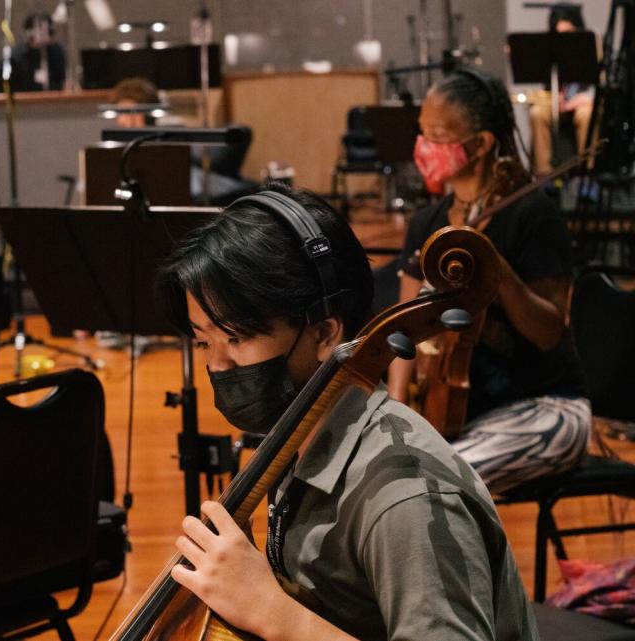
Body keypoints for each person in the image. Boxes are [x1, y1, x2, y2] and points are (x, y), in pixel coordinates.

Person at [156, 183, 537, 641]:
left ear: (324, 334)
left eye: (236, 338)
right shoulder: (299, 440)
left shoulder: (407, 496)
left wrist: (274, 611)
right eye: (203, 341)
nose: (216, 364)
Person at [390, 68, 590, 493]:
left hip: (543, 408)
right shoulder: (427, 223)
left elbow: (549, 332)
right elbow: (405, 330)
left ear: (479, 144)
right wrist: (396, 415)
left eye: (437, 136)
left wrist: (496, 270)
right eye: (421, 133)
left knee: (431, 483)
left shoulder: (532, 215)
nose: (423, 148)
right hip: (457, 416)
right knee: (387, 475)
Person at [528, 6, 595, 175]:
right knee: (537, 113)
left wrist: (585, 98)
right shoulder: (552, 51)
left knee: (585, 115)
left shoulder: (592, 48)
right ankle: (544, 175)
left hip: (585, 101)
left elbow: (602, 84)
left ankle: (587, 172)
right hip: (561, 101)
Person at [10, 12, 67, 92]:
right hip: (25, 98)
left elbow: (61, 79)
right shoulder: (17, 54)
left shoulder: (56, 51)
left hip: (52, 98)